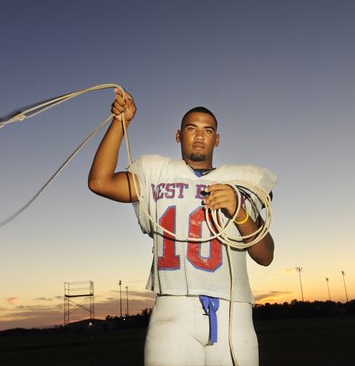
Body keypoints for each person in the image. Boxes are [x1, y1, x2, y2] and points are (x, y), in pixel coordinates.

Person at [88, 89, 277, 366]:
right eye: (192, 128)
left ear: (217, 139)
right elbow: (100, 182)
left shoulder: (241, 183)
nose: (200, 135)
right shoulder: (157, 173)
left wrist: (238, 211)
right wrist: (121, 122)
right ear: (178, 135)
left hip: (233, 312)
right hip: (171, 309)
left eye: (208, 130)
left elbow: (266, 255)